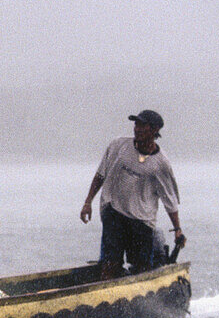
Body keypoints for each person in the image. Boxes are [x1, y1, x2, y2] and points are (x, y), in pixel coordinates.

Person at [79, 110, 185, 278]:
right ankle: (107, 291)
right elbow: (101, 174)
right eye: (136, 125)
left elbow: (169, 200)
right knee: (110, 261)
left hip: (141, 219)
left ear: (155, 130)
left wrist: (178, 229)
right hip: (114, 211)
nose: (137, 129)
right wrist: (87, 202)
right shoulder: (118, 146)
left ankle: (142, 295)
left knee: (142, 267)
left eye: (143, 126)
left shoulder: (161, 163)